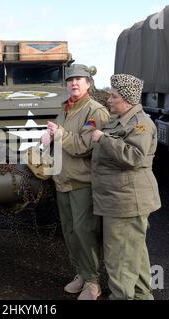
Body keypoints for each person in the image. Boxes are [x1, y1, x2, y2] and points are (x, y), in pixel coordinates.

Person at [41, 64, 110, 300]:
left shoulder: (95, 111)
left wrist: (59, 133)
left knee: (84, 232)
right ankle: (80, 273)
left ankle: (92, 281)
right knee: (70, 232)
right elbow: (61, 141)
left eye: (79, 79)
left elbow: (84, 146)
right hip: (63, 180)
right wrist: (48, 138)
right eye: (70, 80)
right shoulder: (66, 109)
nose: (74, 83)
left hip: (81, 181)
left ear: (88, 83)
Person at [91, 74, 161, 300]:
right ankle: (142, 296)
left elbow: (134, 156)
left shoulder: (141, 123)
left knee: (119, 258)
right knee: (135, 254)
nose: (109, 100)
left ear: (128, 99)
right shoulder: (119, 119)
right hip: (120, 198)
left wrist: (104, 140)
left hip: (127, 201)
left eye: (114, 96)